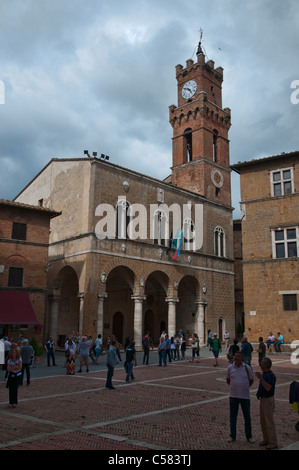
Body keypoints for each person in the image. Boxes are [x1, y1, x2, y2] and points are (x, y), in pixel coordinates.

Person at [226, 351, 254, 443]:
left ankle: (249, 436)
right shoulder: (230, 368)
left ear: (242, 358)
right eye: (235, 356)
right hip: (233, 396)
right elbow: (228, 380)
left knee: (247, 417)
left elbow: (251, 380)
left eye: (238, 356)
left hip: (245, 396)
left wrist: (244, 387)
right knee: (233, 417)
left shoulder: (247, 368)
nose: (236, 357)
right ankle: (232, 435)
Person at [255, 357, 278, 449]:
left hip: (268, 400)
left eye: (262, 363)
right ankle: (266, 439)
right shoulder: (265, 374)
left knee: (269, 421)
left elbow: (268, 387)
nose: (261, 364)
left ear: (266, 365)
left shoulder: (270, 375)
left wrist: (261, 379)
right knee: (263, 421)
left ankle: (273, 442)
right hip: (263, 399)